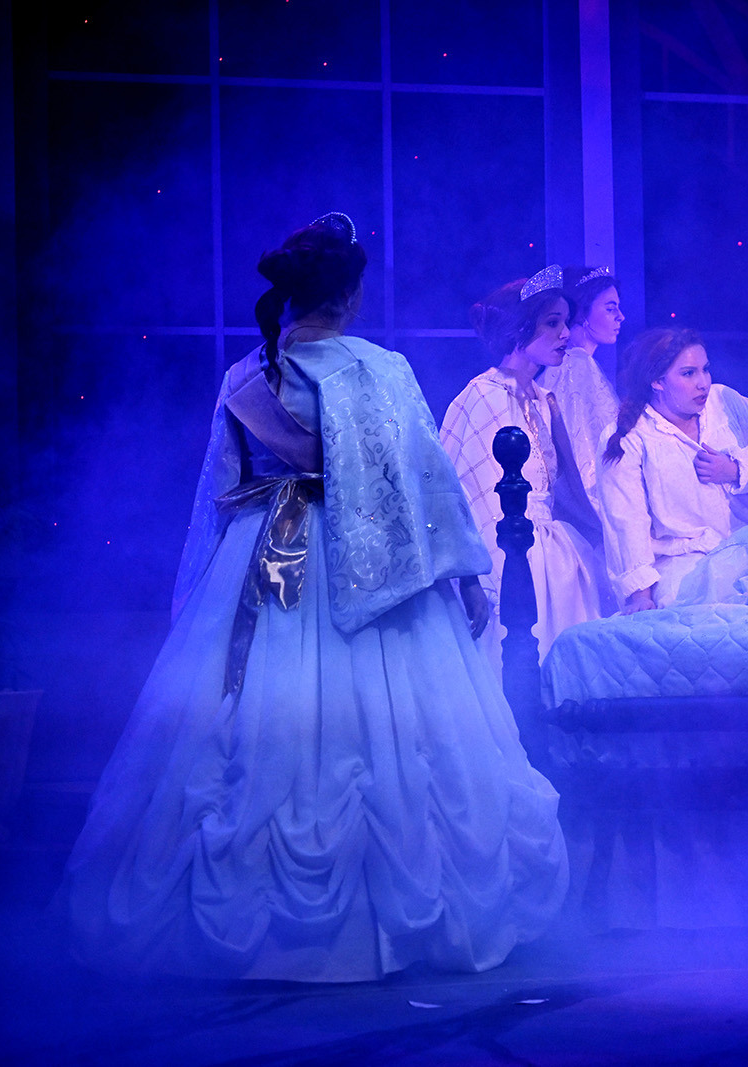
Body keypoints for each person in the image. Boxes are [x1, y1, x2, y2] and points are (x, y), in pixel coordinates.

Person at [58, 215, 569, 981]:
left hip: (270, 551)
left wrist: (200, 597)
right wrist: (463, 575)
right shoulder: (379, 369)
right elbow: (426, 483)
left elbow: (220, 492)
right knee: (396, 736)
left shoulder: (247, 375)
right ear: (352, 295)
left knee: (252, 719)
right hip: (375, 561)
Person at [440, 266, 617, 670]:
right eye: (552, 323)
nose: (566, 333)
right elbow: (466, 492)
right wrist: (479, 575)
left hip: (556, 557)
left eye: (566, 322)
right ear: (520, 327)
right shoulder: (482, 396)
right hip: (507, 550)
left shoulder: (544, 399)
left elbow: (565, 487)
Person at [597, 327, 748, 611]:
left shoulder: (725, 402)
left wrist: (735, 470)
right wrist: (640, 594)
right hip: (685, 569)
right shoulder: (631, 436)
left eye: (705, 370)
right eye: (688, 373)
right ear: (657, 381)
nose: (703, 383)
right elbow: (626, 521)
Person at [535, 266, 623, 508]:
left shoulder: (569, 364)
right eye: (610, 308)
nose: (620, 317)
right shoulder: (577, 365)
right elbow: (585, 448)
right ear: (583, 312)